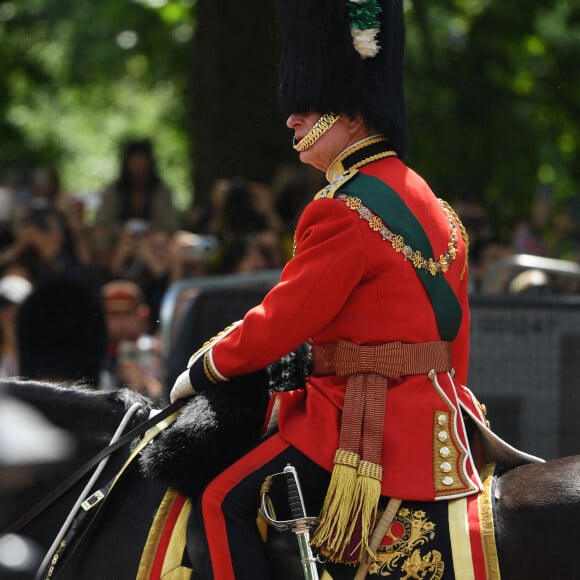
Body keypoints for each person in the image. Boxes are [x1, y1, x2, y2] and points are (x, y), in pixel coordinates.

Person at [170, 1, 538, 578]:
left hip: (360, 425)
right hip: (440, 421)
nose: (291, 119)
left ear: (350, 113)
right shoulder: (435, 203)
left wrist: (205, 365)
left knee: (222, 501)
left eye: (307, 106)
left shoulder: (342, 208)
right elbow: (455, 340)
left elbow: (281, 321)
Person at [94, 139, 179, 235]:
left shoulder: (161, 193)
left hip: (153, 242)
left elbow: (171, 226)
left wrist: (152, 229)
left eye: (143, 164)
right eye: (135, 164)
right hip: (116, 241)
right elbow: (101, 222)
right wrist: (123, 230)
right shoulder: (113, 191)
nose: (139, 169)